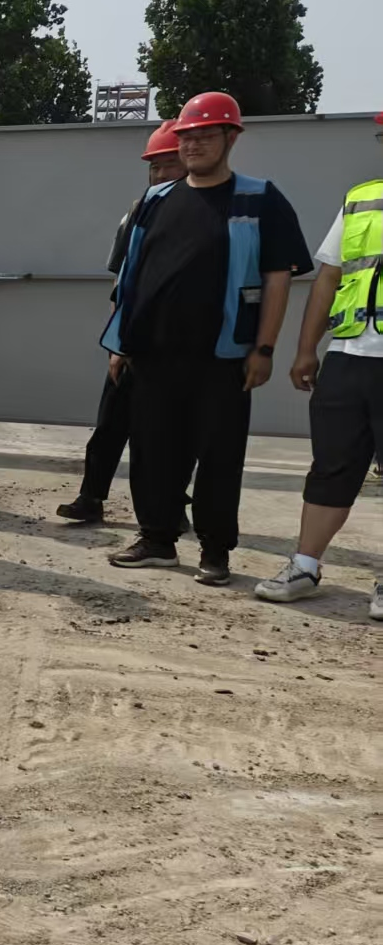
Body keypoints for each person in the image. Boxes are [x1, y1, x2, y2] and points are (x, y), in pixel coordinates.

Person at [103, 92, 309, 586]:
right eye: (187, 137)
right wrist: (120, 341)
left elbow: (277, 277)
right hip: (152, 351)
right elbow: (130, 275)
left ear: (231, 137)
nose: (193, 145)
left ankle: (215, 551)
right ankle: (157, 539)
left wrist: (264, 348)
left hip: (224, 355)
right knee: (152, 449)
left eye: (205, 135)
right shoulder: (154, 201)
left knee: (219, 455)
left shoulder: (259, 199)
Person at [255, 110, 383, 616]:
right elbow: (329, 277)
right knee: (332, 465)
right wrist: (307, 348)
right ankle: (305, 566)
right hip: (350, 355)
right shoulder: (362, 199)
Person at [56, 121, 188, 523]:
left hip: (184, 342)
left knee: (173, 432)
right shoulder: (138, 212)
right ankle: (91, 497)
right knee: (111, 422)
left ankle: (172, 505)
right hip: (134, 336)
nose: (160, 175)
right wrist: (118, 343)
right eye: (154, 167)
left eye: (168, 165)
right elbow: (123, 281)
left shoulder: (208, 212)